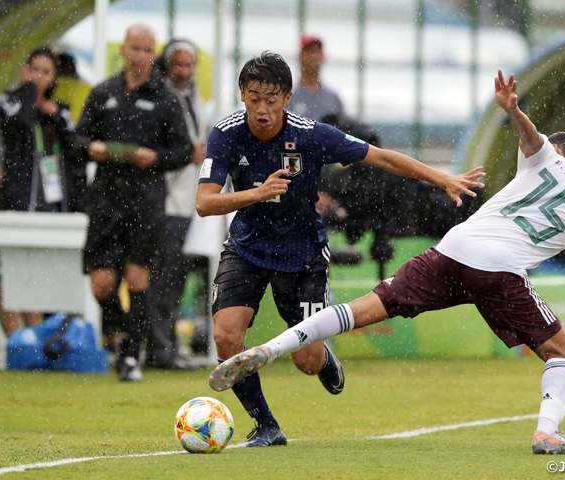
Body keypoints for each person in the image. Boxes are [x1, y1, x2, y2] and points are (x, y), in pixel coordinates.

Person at [210, 70, 565, 456]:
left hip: (455, 248)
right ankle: (547, 432)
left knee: (364, 308)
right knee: (561, 354)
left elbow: (531, 140)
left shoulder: (546, 158)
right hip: (501, 267)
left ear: (559, 154)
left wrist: (512, 110)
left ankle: (272, 348)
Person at [196, 51, 484, 447]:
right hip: (247, 249)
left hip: (304, 257)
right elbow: (204, 203)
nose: (262, 109)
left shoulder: (311, 134)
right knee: (226, 337)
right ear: (241, 94)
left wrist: (441, 178)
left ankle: (324, 356)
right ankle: (266, 425)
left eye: (271, 98)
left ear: (287, 97)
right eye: (254, 98)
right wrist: (256, 194)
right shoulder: (225, 133)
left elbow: (381, 156)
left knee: (306, 361)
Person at [74, 24, 193, 382]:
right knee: (102, 284)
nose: (140, 55)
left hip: (146, 202)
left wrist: (153, 158)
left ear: (153, 54)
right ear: (123, 49)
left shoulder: (166, 99)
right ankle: (121, 330)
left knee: (138, 277)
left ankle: (130, 357)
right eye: (134, 48)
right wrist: (91, 149)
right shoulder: (103, 92)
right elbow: (77, 139)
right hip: (106, 201)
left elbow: (184, 151)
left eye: (146, 49)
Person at [0, 46, 87, 334]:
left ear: (55, 77)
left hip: (52, 206)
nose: (38, 77)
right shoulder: (8, 100)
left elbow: (75, 145)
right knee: (11, 271)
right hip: (16, 203)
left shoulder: (59, 111)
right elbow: (16, 119)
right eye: (34, 69)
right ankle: (15, 340)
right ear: (24, 70)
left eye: (46, 72)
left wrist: (55, 115)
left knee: (38, 275)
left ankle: (37, 337)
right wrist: (29, 95)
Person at [145, 38, 207, 369]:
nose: (184, 71)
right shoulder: (161, 100)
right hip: (167, 201)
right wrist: (188, 154)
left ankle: (167, 345)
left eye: (189, 65)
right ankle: (159, 347)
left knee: (177, 279)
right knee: (163, 279)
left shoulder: (193, 98)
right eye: (178, 65)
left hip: (188, 202)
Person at [287, 34, 343, 121]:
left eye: (318, 52)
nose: (315, 56)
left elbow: (342, 129)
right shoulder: (289, 95)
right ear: (300, 55)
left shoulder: (333, 97)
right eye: (310, 51)